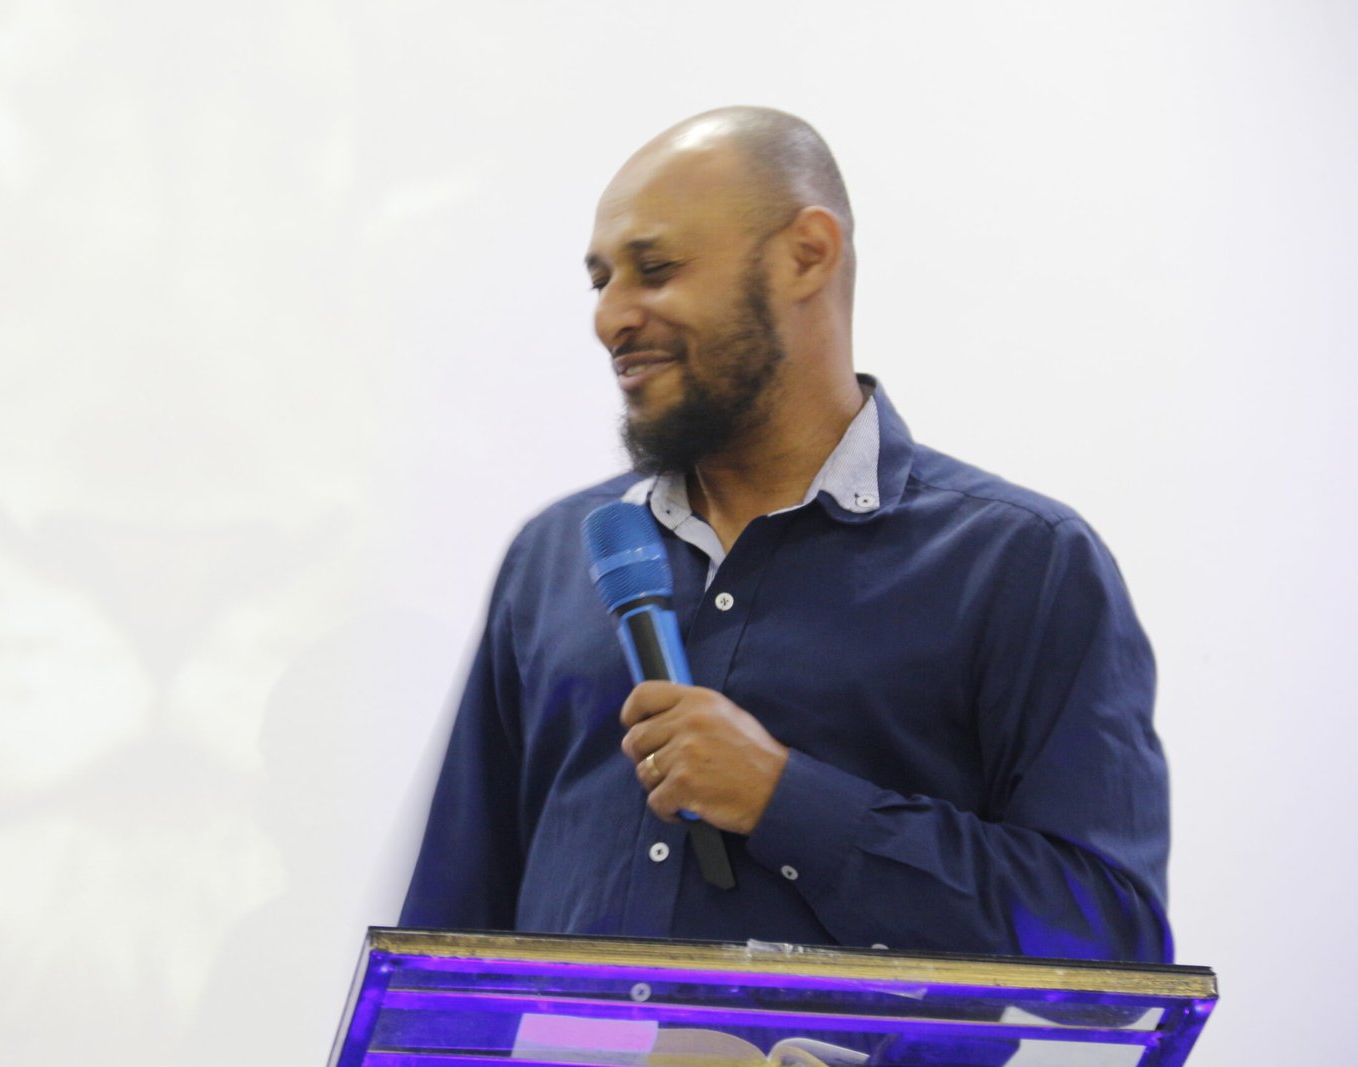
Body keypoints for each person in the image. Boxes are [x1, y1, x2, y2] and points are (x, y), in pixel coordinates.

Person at [399, 106, 1171, 964]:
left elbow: (1110, 942)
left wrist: (786, 799)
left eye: (656, 269)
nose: (610, 317)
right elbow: (447, 939)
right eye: (601, 281)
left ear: (807, 254)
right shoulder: (552, 558)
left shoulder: (1020, 565)